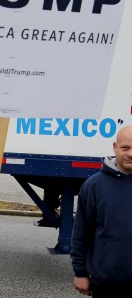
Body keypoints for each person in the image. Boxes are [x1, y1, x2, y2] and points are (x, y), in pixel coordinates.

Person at [71, 125, 132, 297]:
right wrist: (80, 272)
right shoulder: (94, 185)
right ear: (115, 147)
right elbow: (81, 232)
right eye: (125, 148)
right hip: (106, 283)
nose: (130, 154)